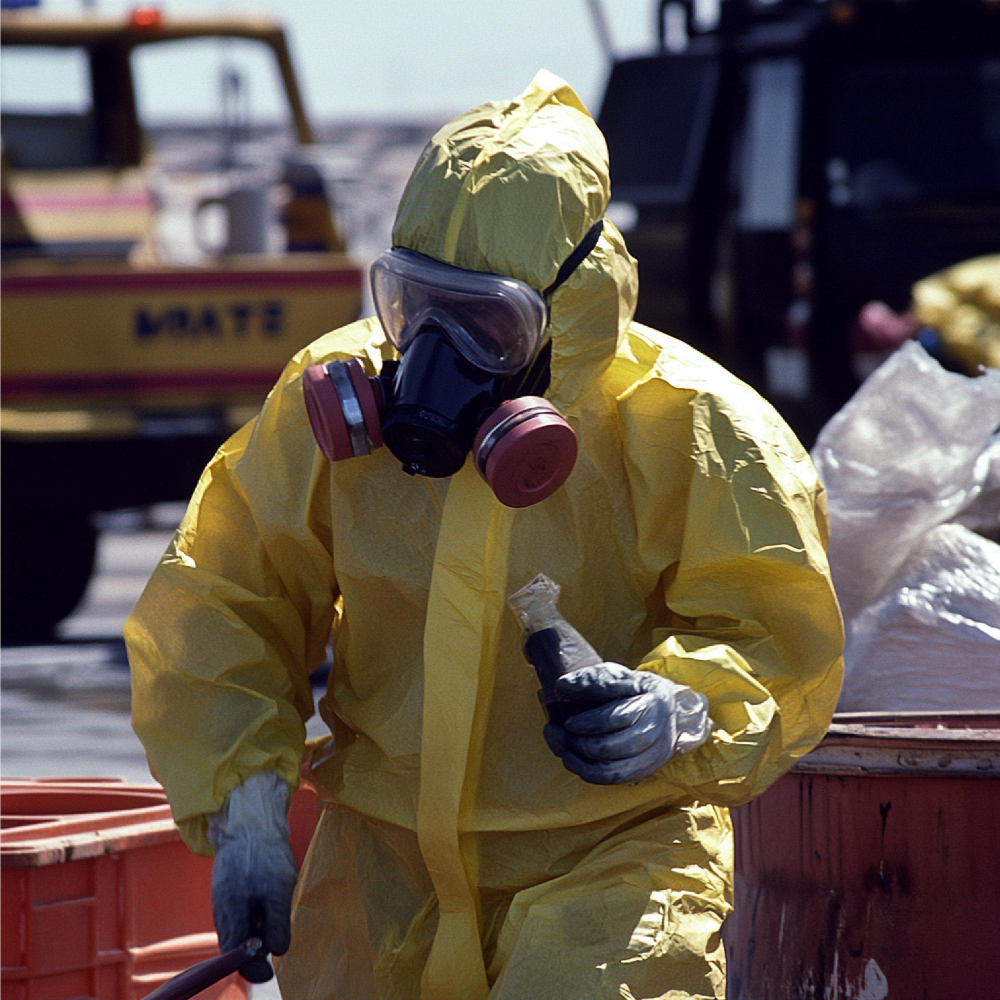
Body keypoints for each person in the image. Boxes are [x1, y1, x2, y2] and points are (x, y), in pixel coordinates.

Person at [125, 71, 844, 1000]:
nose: (433, 353)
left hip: (611, 869)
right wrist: (246, 809)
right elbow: (224, 597)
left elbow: (778, 635)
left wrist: (682, 708)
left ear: (570, 307)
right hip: (377, 877)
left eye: (485, 324)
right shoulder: (331, 402)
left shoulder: (697, 426)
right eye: (417, 305)